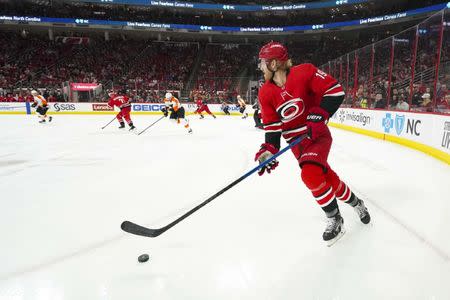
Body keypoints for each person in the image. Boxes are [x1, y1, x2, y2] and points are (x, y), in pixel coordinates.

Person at [255, 41, 370, 246]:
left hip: (316, 136)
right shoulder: (265, 93)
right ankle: (357, 203)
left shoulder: (304, 72)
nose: (260, 67)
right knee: (327, 178)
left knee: (309, 174)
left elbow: (335, 91)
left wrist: (319, 114)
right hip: (297, 145)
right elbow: (272, 128)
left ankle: (335, 218)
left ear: (273, 64)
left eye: (263, 63)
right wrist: (268, 151)